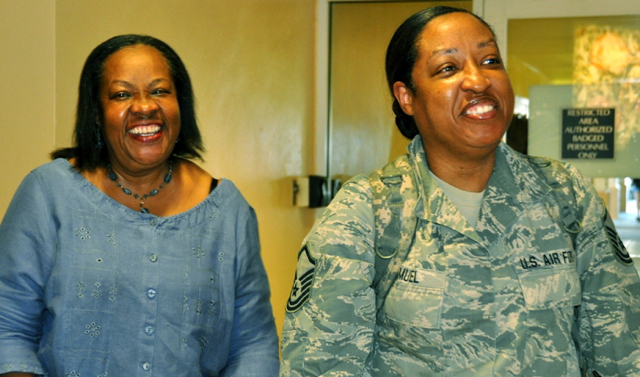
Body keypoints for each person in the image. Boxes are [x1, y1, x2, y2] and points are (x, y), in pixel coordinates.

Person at [280, 6, 640, 377]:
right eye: (448, 68)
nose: (479, 80)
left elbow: (622, 348)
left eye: (490, 60)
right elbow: (321, 366)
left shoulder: (565, 194)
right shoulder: (368, 212)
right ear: (406, 96)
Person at [0, 34, 279, 376]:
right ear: (97, 115)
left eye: (160, 90)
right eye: (122, 94)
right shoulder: (48, 193)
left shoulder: (227, 210)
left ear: (181, 106)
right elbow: (8, 327)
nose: (145, 106)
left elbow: (253, 343)